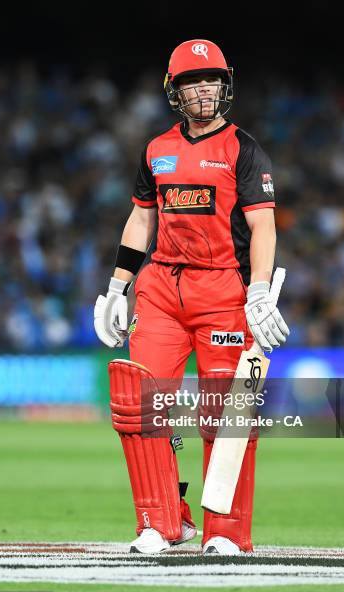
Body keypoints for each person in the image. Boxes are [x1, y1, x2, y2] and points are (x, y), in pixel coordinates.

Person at [94, 39, 290, 554]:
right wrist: (118, 285)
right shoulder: (157, 150)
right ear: (173, 91)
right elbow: (142, 217)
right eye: (190, 82)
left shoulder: (244, 150)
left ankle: (227, 533)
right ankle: (163, 523)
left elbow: (262, 227)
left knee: (225, 414)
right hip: (161, 288)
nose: (203, 90)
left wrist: (261, 290)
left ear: (226, 85)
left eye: (211, 80)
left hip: (225, 286)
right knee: (142, 406)